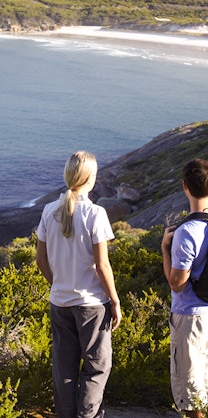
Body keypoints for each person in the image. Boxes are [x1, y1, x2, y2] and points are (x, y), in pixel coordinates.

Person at [36, 150, 122, 418]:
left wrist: (58, 284)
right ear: (91, 179)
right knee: (98, 366)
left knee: (64, 368)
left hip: (59, 302)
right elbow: (102, 265)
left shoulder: (49, 210)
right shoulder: (95, 213)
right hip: (92, 305)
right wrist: (116, 301)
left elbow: (40, 261)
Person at [161, 158, 208, 418]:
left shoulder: (187, 231)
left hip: (190, 314)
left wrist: (165, 249)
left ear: (185, 186)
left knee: (190, 390)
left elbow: (177, 283)